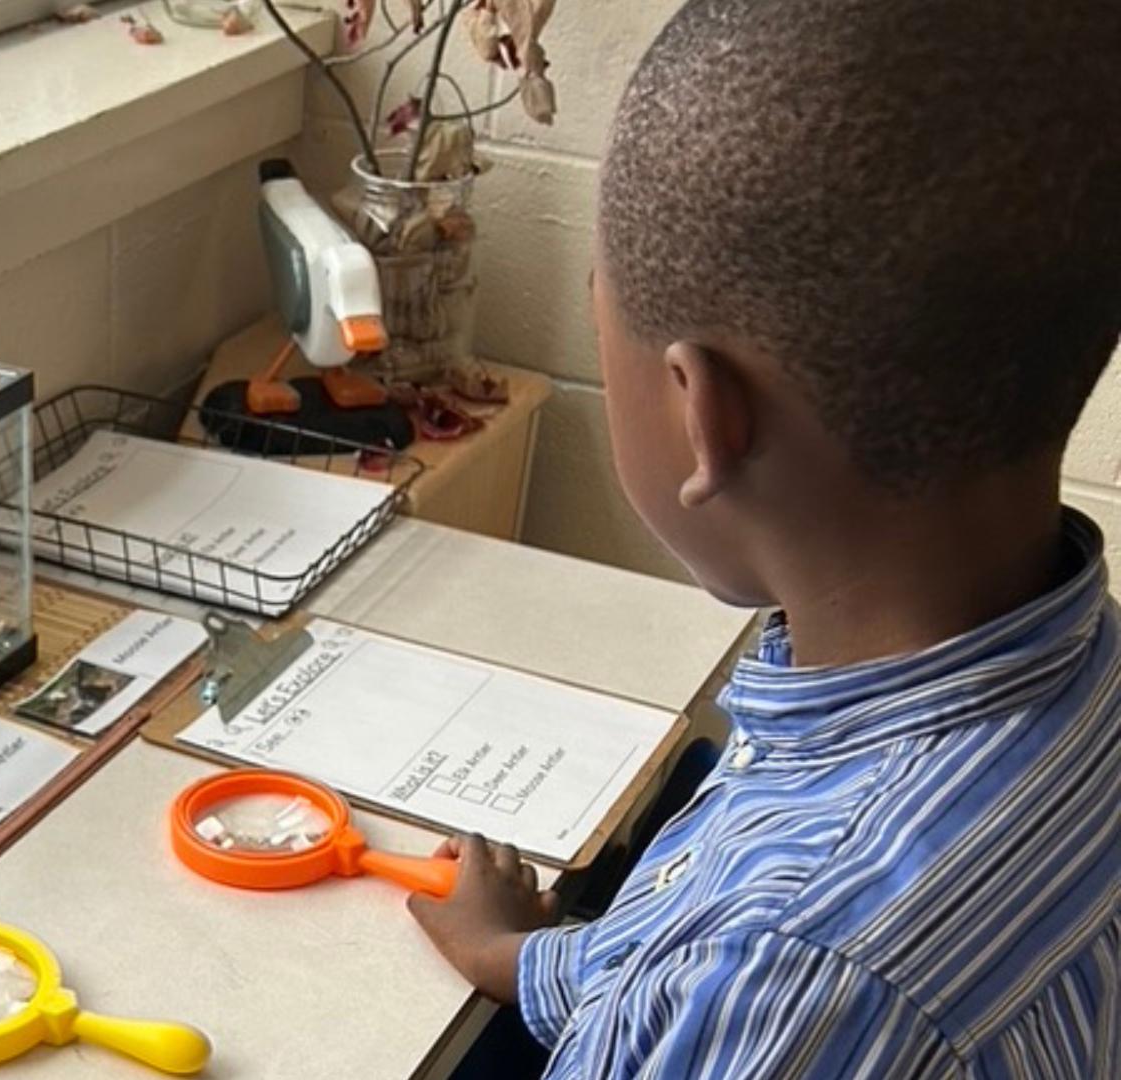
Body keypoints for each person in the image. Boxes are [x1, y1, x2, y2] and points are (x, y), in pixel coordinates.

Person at [407, 0, 1121, 1076]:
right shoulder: (1064, 669)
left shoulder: (787, 989)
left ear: (707, 415)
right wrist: (528, 956)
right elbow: (703, 929)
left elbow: (752, 978)